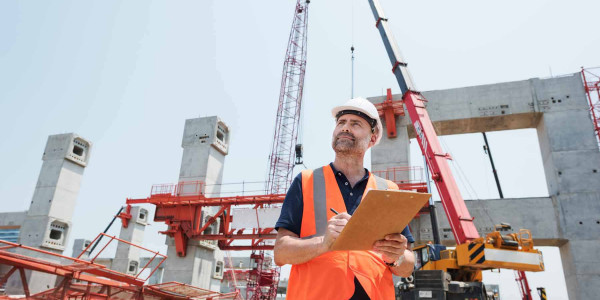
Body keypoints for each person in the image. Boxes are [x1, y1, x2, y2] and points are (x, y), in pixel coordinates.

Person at [273, 97, 416, 300]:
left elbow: (407, 267)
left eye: (355, 124)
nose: (345, 128)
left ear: (373, 139)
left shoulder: (388, 190)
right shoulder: (306, 181)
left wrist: (397, 256)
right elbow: (280, 253)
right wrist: (323, 243)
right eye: (341, 122)